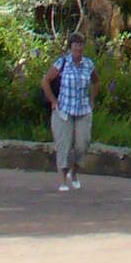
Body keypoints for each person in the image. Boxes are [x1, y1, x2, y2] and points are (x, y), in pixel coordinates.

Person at [43, 36, 97, 193]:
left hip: (82, 110)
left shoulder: (88, 64)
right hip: (64, 110)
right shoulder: (62, 63)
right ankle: (63, 179)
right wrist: (53, 100)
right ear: (70, 47)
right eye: (75, 45)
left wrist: (92, 100)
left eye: (80, 45)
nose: (78, 48)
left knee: (83, 143)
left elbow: (96, 81)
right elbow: (45, 80)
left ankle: (75, 172)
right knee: (64, 145)